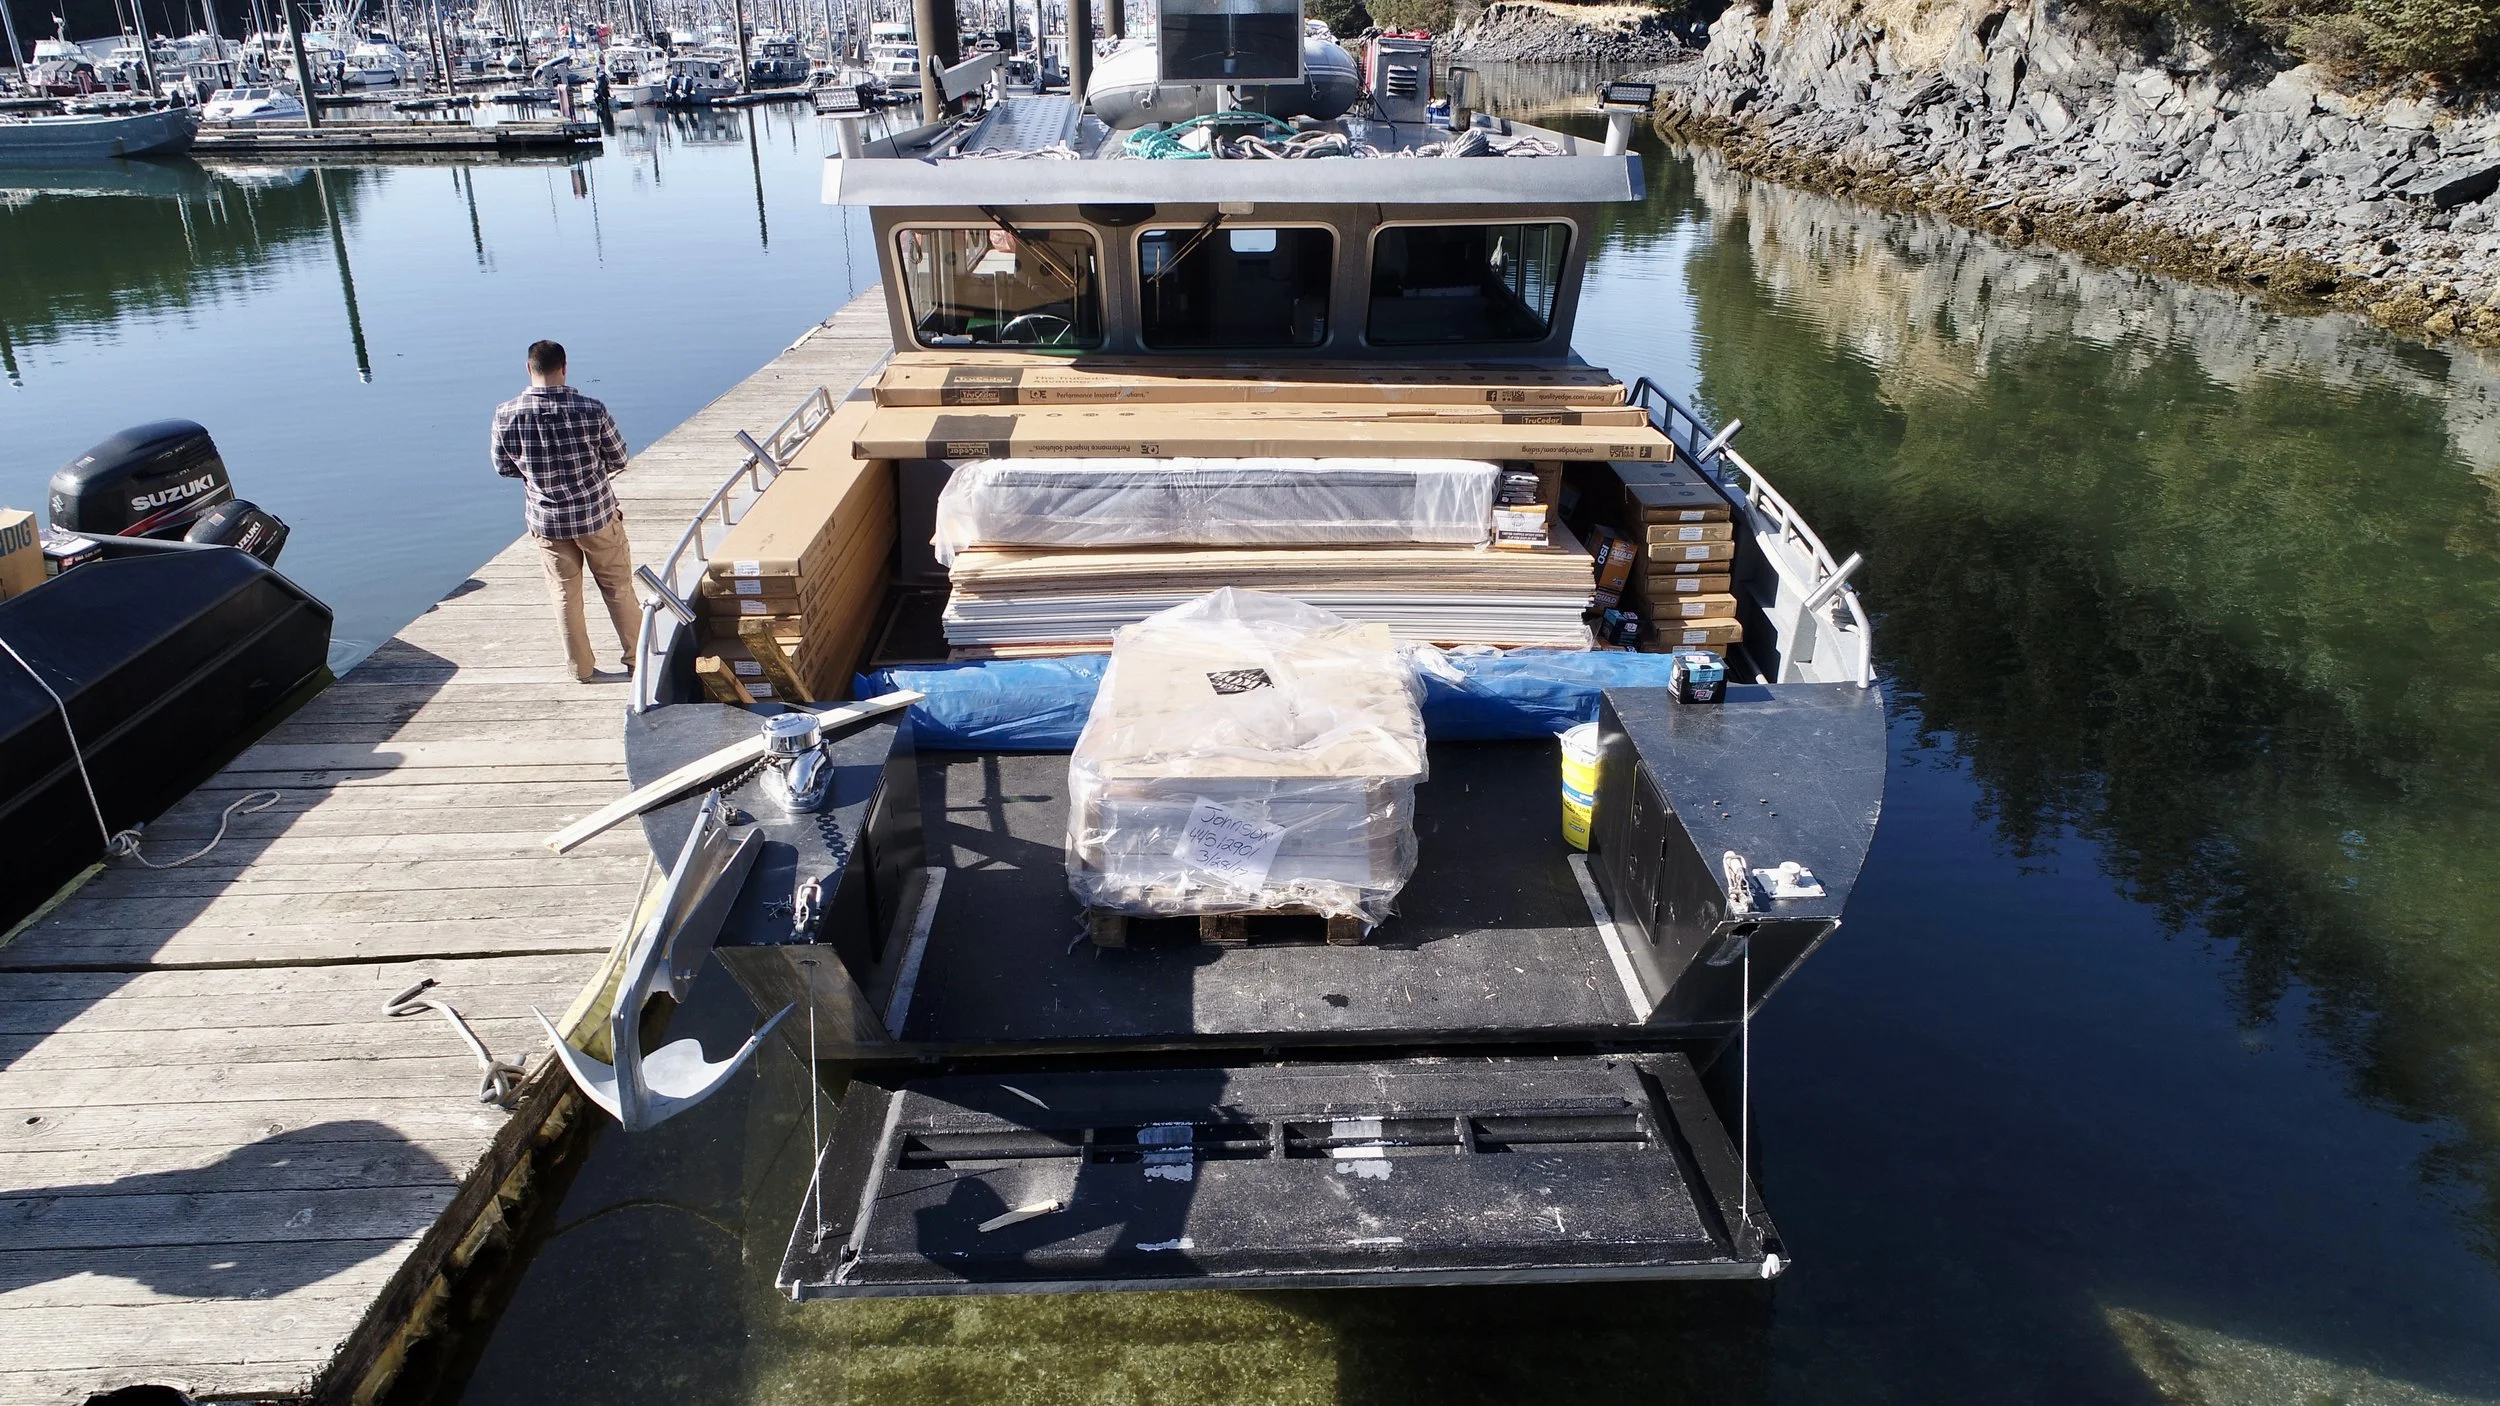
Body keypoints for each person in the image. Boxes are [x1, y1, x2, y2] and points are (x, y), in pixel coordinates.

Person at [491, 340, 639, 682]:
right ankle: (636, 661)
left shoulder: (506, 413)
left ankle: (581, 669)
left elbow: (503, 466)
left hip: (547, 521)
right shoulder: (591, 409)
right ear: (565, 367)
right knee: (618, 589)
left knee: (564, 596)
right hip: (596, 515)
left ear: (529, 369)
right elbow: (618, 457)